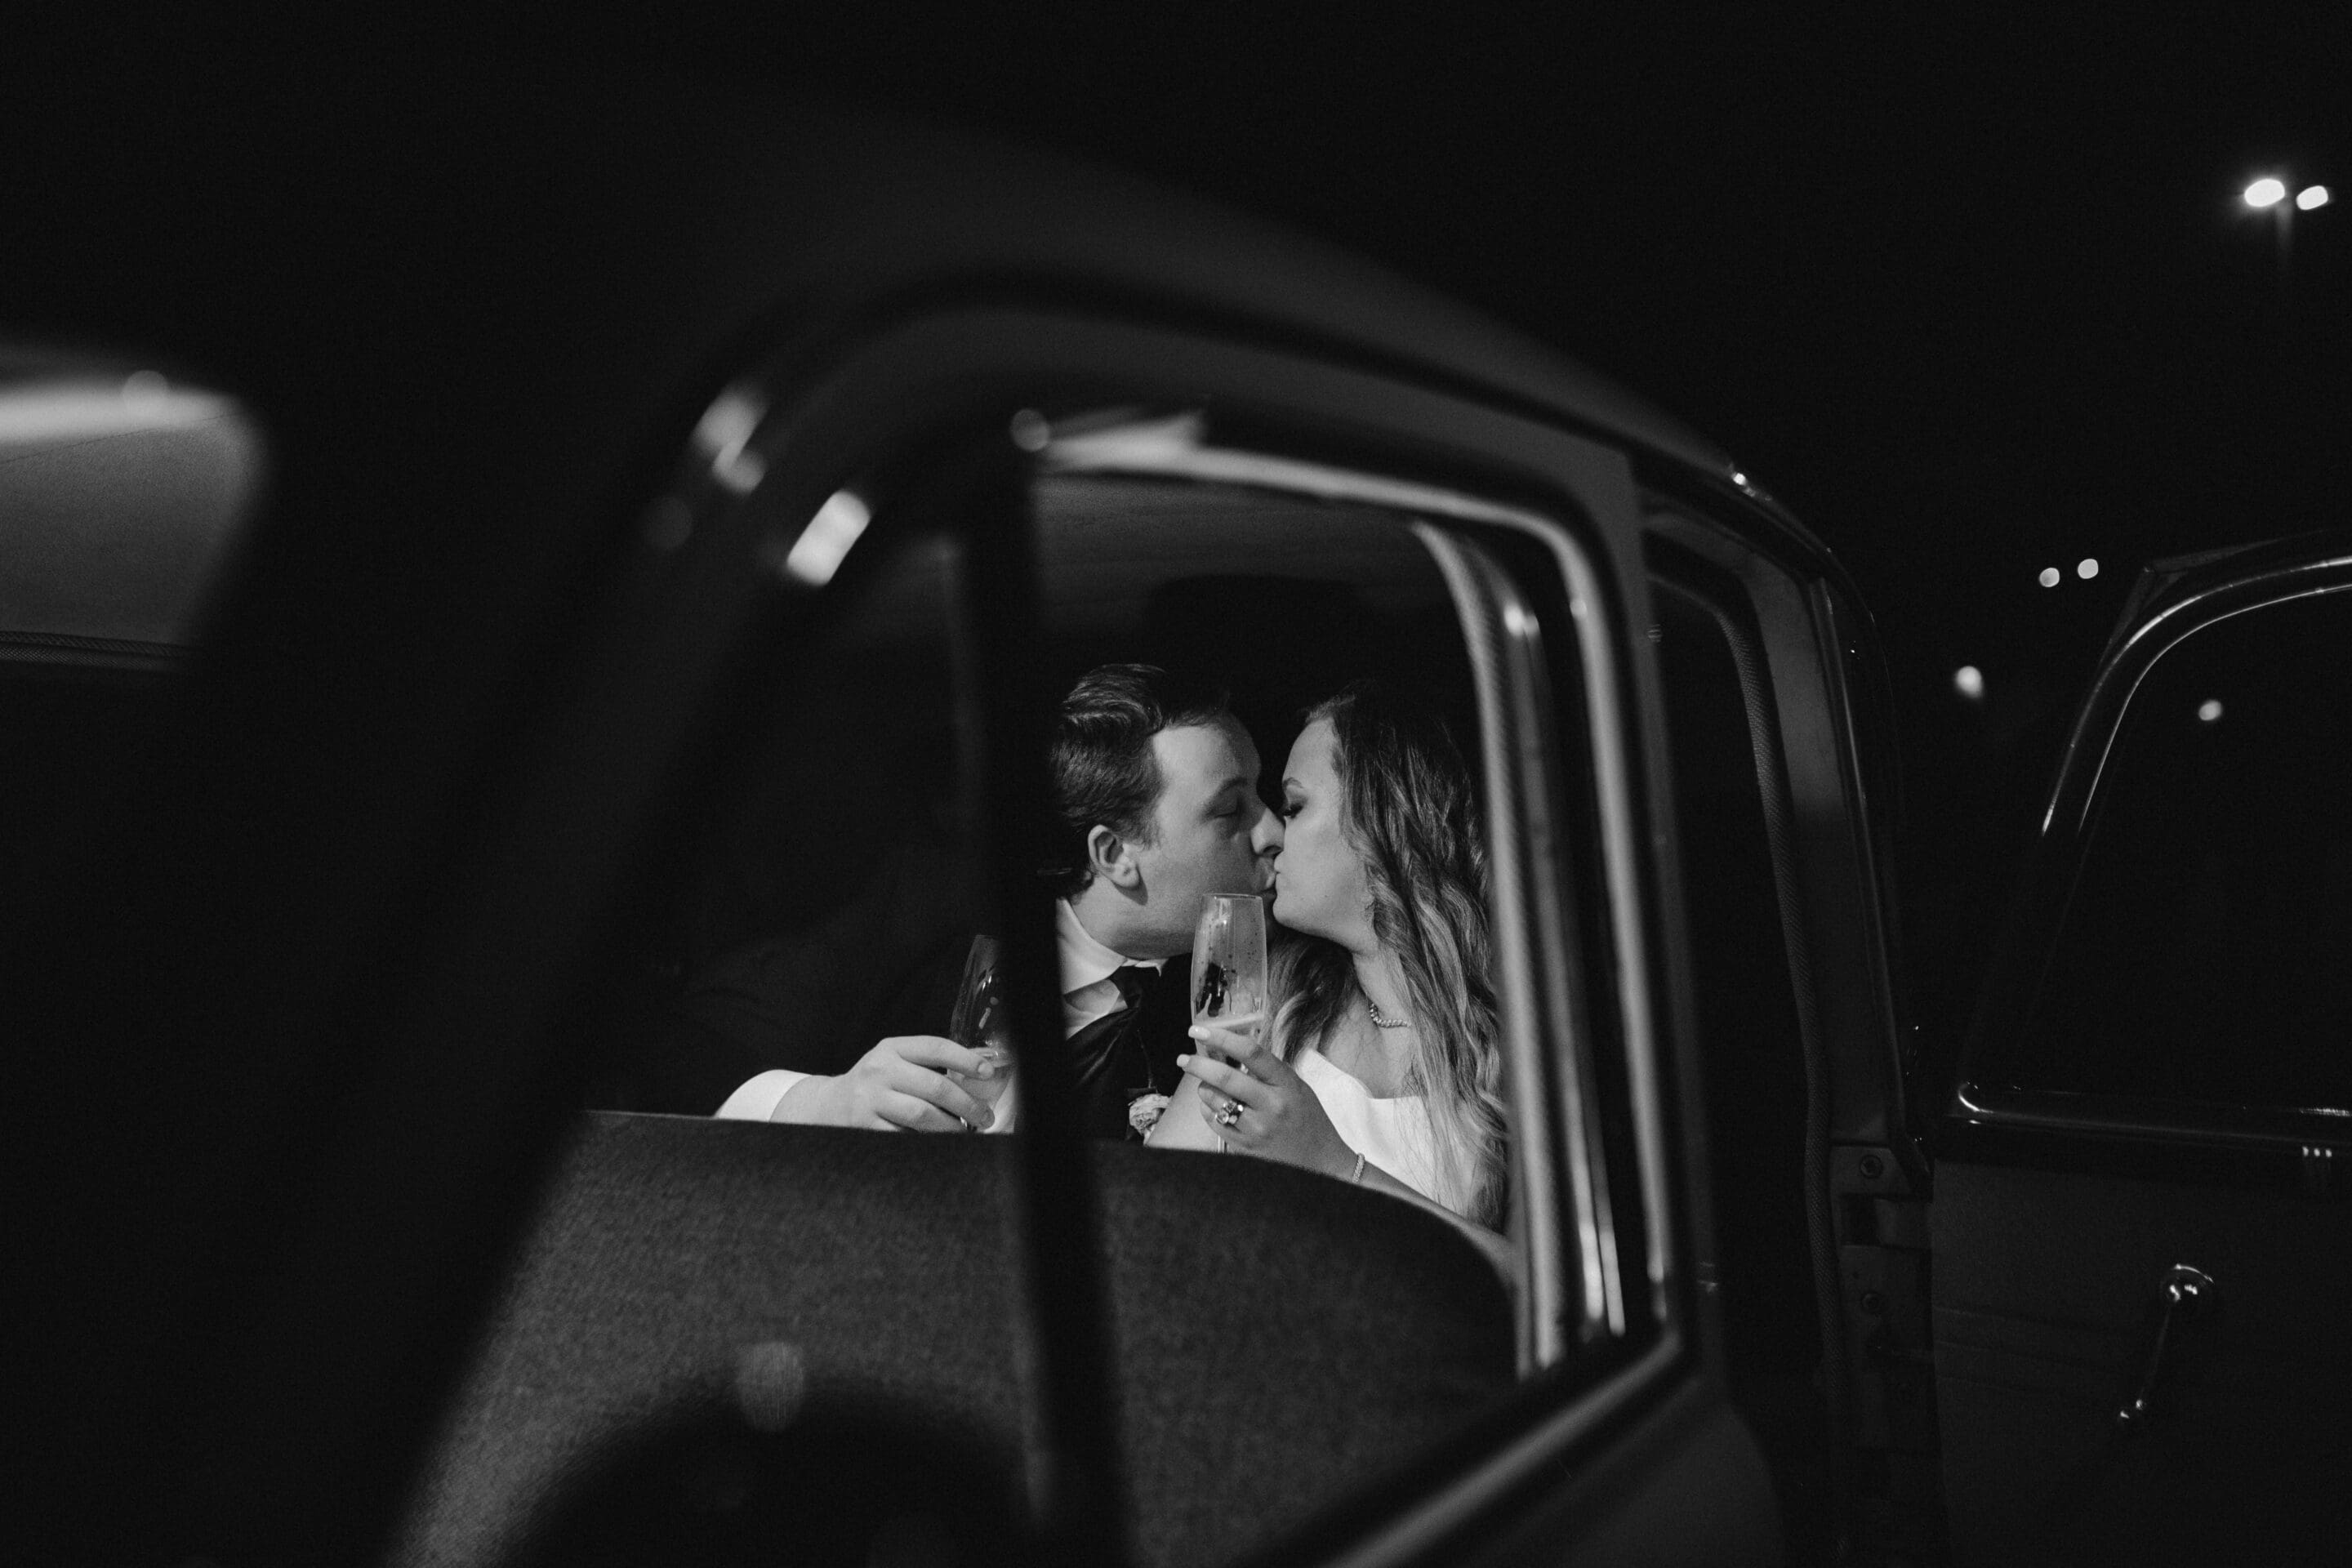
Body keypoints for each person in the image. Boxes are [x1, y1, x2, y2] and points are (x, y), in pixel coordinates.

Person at [710, 663, 1283, 1141]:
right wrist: (826, 1101)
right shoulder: (919, 933)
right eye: (1231, 811)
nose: (1274, 832)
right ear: (1114, 855)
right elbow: (697, 1070)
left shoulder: (1258, 993)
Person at [1147, 681, 1509, 1237]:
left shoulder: (1516, 1042)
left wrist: (1336, 1167)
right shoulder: (1269, 1002)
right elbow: (1152, 1220)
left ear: (1383, 820)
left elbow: (1555, 1291)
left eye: (1294, 806)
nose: (1269, 835)